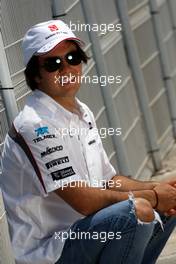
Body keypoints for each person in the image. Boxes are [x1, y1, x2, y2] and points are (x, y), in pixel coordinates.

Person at [0, 19, 176, 264]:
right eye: (53, 64)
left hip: (86, 234)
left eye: (72, 59)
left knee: (171, 201)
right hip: (51, 252)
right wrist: (152, 197)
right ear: (36, 76)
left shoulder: (80, 111)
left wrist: (158, 189)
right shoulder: (35, 124)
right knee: (139, 211)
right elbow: (83, 201)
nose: (66, 69)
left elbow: (109, 181)